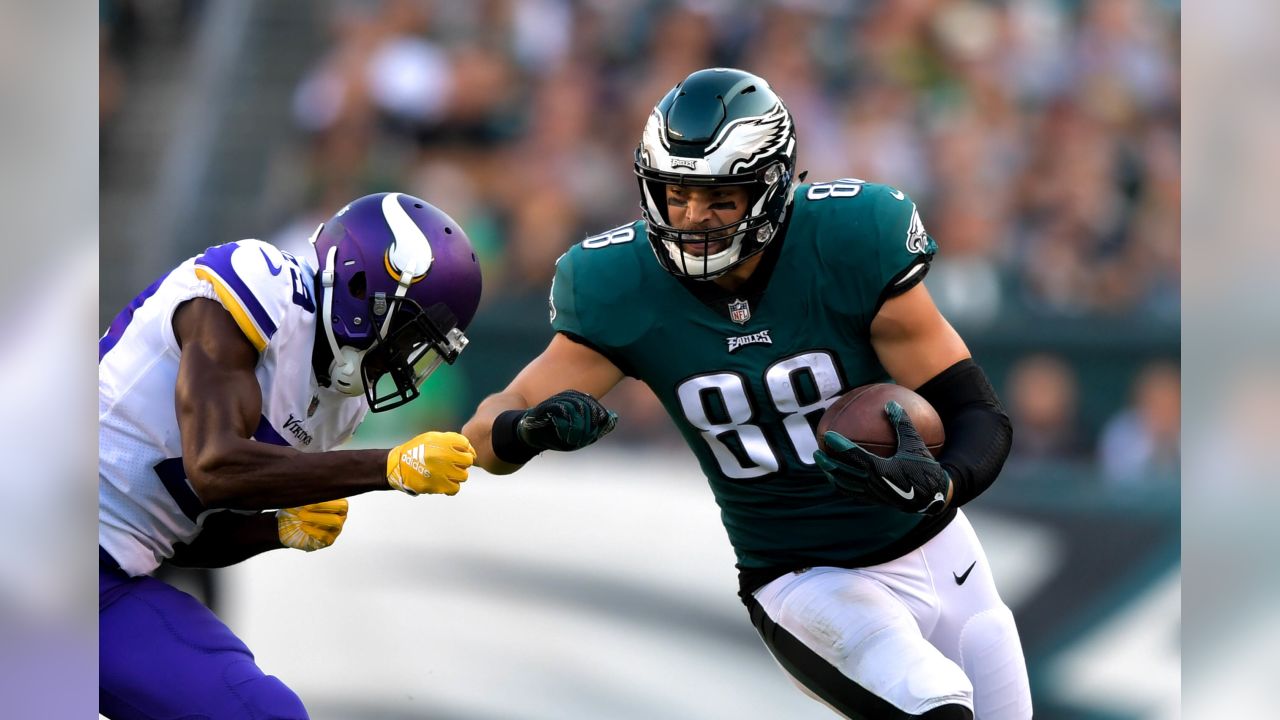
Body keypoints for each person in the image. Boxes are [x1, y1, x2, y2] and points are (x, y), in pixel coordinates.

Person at [462, 68, 1032, 719]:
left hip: (943, 553)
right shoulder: (619, 285)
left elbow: (978, 413)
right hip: (803, 579)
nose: (692, 218)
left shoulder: (850, 241)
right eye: (676, 193)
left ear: (772, 186)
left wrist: (943, 483)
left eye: (719, 198)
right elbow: (485, 432)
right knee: (934, 704)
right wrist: (527, 431)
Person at [99, 192, 483, 719]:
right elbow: (213, 467)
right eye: (407, 336)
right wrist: (387, 468)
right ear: (359, 285)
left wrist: (273, 530)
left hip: (112, 583)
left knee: (262, 712)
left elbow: (177, 536)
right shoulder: (258, 283)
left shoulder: (338, 409)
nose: (404, 359)